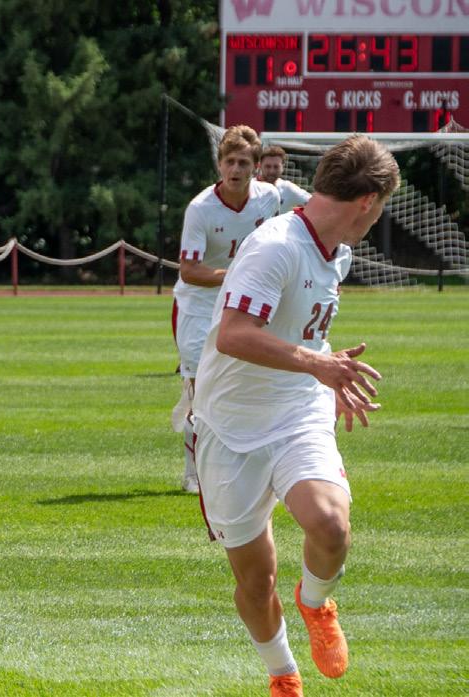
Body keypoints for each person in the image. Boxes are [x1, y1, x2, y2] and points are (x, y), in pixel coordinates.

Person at [194, 135, 398, 697]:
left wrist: (326, 376)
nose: (376, 218)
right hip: (229, 428)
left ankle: (315, 604)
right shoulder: (275, 246)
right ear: (367, 201)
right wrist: (318, 364)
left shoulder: (337, 252)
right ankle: (283, 673)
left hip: (297, 411)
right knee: (255, 582)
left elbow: (308, 332)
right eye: (380, 207)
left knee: (331, 525)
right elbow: (235, 335)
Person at [171, 125, 281, 494]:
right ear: (219, 165)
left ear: (256, 166)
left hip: (244, 304)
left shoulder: (270, 198)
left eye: (243, 162)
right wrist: (235, 274)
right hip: (198, 307)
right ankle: (193, 474)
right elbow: (189, 270)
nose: (235, 169)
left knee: (250, 385)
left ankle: (253, 468)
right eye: (229, 161)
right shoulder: (201, 208)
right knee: (200, 393)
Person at [259, 146, 312, 214]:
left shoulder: (287, 188)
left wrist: (297, 217)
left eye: (276, 167)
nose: (272, 171)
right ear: (260, 166)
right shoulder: (251, 187)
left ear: (283, 167)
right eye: (268, 166)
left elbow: (313, 204)